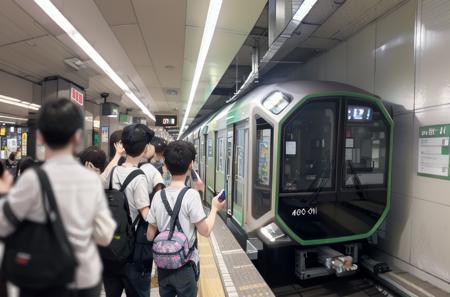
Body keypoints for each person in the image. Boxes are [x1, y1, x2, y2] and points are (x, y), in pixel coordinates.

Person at [0, 99, 116, 297]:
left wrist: (4, 194)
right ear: (78, 137)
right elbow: (104, 236)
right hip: (84, 278)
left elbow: (3, 224)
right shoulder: (92, 181)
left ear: (39, 137)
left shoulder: (32, 179)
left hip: (41, 277)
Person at [146, 140, 225, 297]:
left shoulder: (157, 196)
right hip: (184, 268)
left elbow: (149, 236)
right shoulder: (191, 195)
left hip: (163, 267)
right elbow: (206, 231)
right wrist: (215, 208)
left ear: (166, 166)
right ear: (191, 165)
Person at [102, 124, 154, 297]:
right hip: (131, 252)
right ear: (145, 149)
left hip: (110, 248)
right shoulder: (139, 177)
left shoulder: (113, 171)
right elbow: (145, 214)